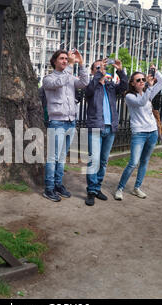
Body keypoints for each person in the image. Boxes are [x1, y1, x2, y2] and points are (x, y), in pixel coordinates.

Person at [42, 49, 88, 202]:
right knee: (53, 157)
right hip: (57, 122)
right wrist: (70, 64)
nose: (64, 61)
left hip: (70, 122)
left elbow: (84, 83)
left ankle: (58, 184)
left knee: (61, 157)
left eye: (66, 59)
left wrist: (81, 65)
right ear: (54, 61)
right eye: (62, 59)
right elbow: (59, 82)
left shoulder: (70, 77)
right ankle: (49, 188)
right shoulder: (48, 79)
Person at [114, 65, 162, 200]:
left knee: (144, 161)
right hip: (139, 133)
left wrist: (155, 70)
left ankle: (137, 187)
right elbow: (141, 103)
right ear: (132, 83)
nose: (142, 81)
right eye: (138, 80)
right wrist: (149, 86)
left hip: (152, 131)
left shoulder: (147, 93)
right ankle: (120, 188)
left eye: (143, 79)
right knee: (133, 162)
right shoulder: (129, 96)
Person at [84, 58, 128, 206]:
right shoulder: (91, 86)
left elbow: (124, 87)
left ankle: (97, 188)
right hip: (96, 127)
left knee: (103, 162)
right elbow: (88, 91)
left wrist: (120, 70)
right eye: (97, 68)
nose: (101, 69)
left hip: (110, 128)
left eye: (102, 67)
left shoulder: (110, 86)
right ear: (92, 71)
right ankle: (91, 191)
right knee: (94, 161)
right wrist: (98, 73)